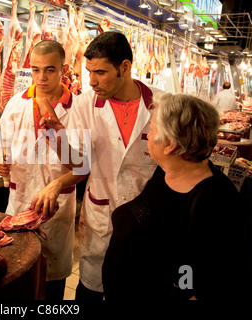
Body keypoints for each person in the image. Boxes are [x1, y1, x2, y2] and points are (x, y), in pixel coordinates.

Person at [30, 31, 160, 300]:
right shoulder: (86, 104)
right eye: (88, 72)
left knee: (136, 291)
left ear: (125, 67)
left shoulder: (160, 104)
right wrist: (58, 137)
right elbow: (79, 165)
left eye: (100, 72)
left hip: (146, 220)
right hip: (102, 218)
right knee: (90, 290)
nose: (91, 81)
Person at [102, 92, 252, 302]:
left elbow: (227, 284)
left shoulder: (216, 202)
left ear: (171, 145)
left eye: (152, 129)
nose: (148, 135)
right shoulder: (165, 172)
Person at [0, 40, 76, 300]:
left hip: (57, 207)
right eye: (35, 69)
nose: (41, 77)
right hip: (19, 201)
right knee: (19, 274)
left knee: (52, 282)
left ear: (63, 69)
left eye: (50, 70)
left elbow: (84, 163)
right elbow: (0, 145)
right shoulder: (16, 104)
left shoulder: (77, 108)